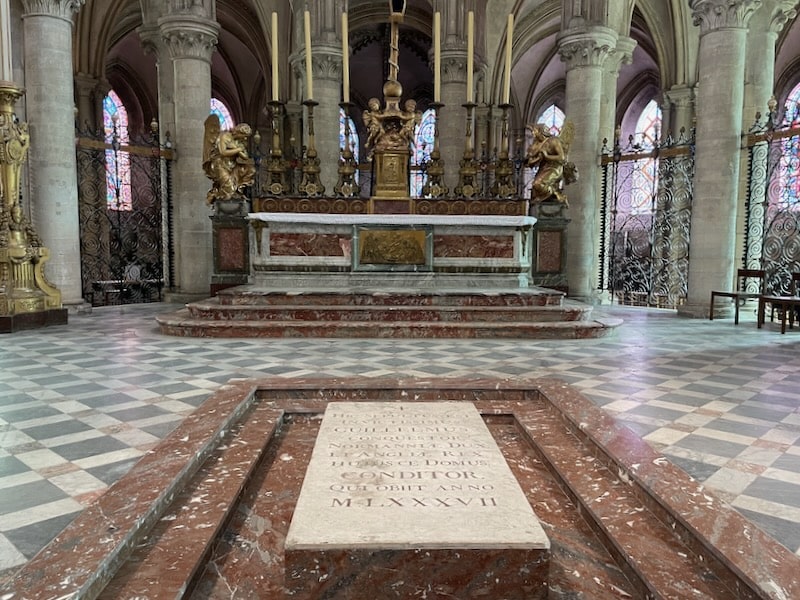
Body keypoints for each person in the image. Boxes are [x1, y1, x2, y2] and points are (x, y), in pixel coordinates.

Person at [203, 121, 256, 204]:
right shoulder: (224, 136)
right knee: (229, 188)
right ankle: (216, 197)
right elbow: (223, 152)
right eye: (244, 136)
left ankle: (232, 195)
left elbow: (245, 157)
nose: (245, 139)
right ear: (239, 132)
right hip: (220, 164)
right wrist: (238, 149)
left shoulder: (238, 141)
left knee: (250, 170)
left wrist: (239, 150)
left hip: (232, 165)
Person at [526, 123, 568, 206]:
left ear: (541, 131)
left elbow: (562, 157)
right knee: (535, 188)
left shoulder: (553, 141)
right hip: (543, 168)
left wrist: (547, 156)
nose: (533, 133)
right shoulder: (535, 145)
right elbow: (530, 163)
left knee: (538, 184)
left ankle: (555, 194)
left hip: (555, 167)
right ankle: (553, 194)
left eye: (535, 131)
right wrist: (538, 159)